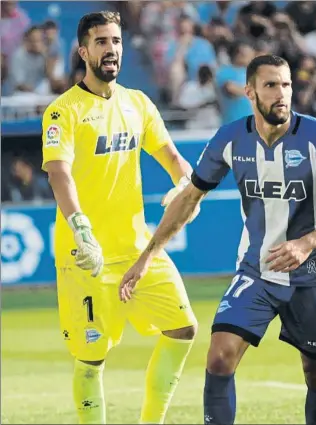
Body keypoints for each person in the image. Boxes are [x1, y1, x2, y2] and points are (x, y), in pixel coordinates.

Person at [119, 55, 316, 425]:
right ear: (250, 92)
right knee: (219, 357)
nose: (281, 94)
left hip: (314, 276)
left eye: (286, 85)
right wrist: (147, 256)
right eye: (270, 86)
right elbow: (189, 198)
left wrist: (306, 243)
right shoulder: (231, 138)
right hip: (257, 271)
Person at [41, 11, 198, 425]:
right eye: (101, 42)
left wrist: (186, 186)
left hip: (136, 250)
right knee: (92, 359)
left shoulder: (138, 103)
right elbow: (59, 173)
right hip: (85, 257)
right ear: (83, 51)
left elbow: (173, 159)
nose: (111, 50)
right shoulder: (63, 112)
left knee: (183, 329)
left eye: (116, 41)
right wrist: (80, 228)